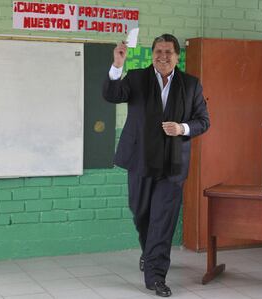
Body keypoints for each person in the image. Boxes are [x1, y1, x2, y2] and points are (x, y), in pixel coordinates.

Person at [102, 34, 210, 297]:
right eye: (159, 51)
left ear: (177, 56)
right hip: (140, 159)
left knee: (163, 221)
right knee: (141, 213)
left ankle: (155, 276)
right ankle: (148, 251)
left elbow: (203, 121)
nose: (163, 56)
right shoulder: (137, 78)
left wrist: (181, 128)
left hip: (172, 165)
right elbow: (112, 94)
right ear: (152, 54)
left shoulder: (191, 84)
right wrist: (118, 65)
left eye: (169, 52)